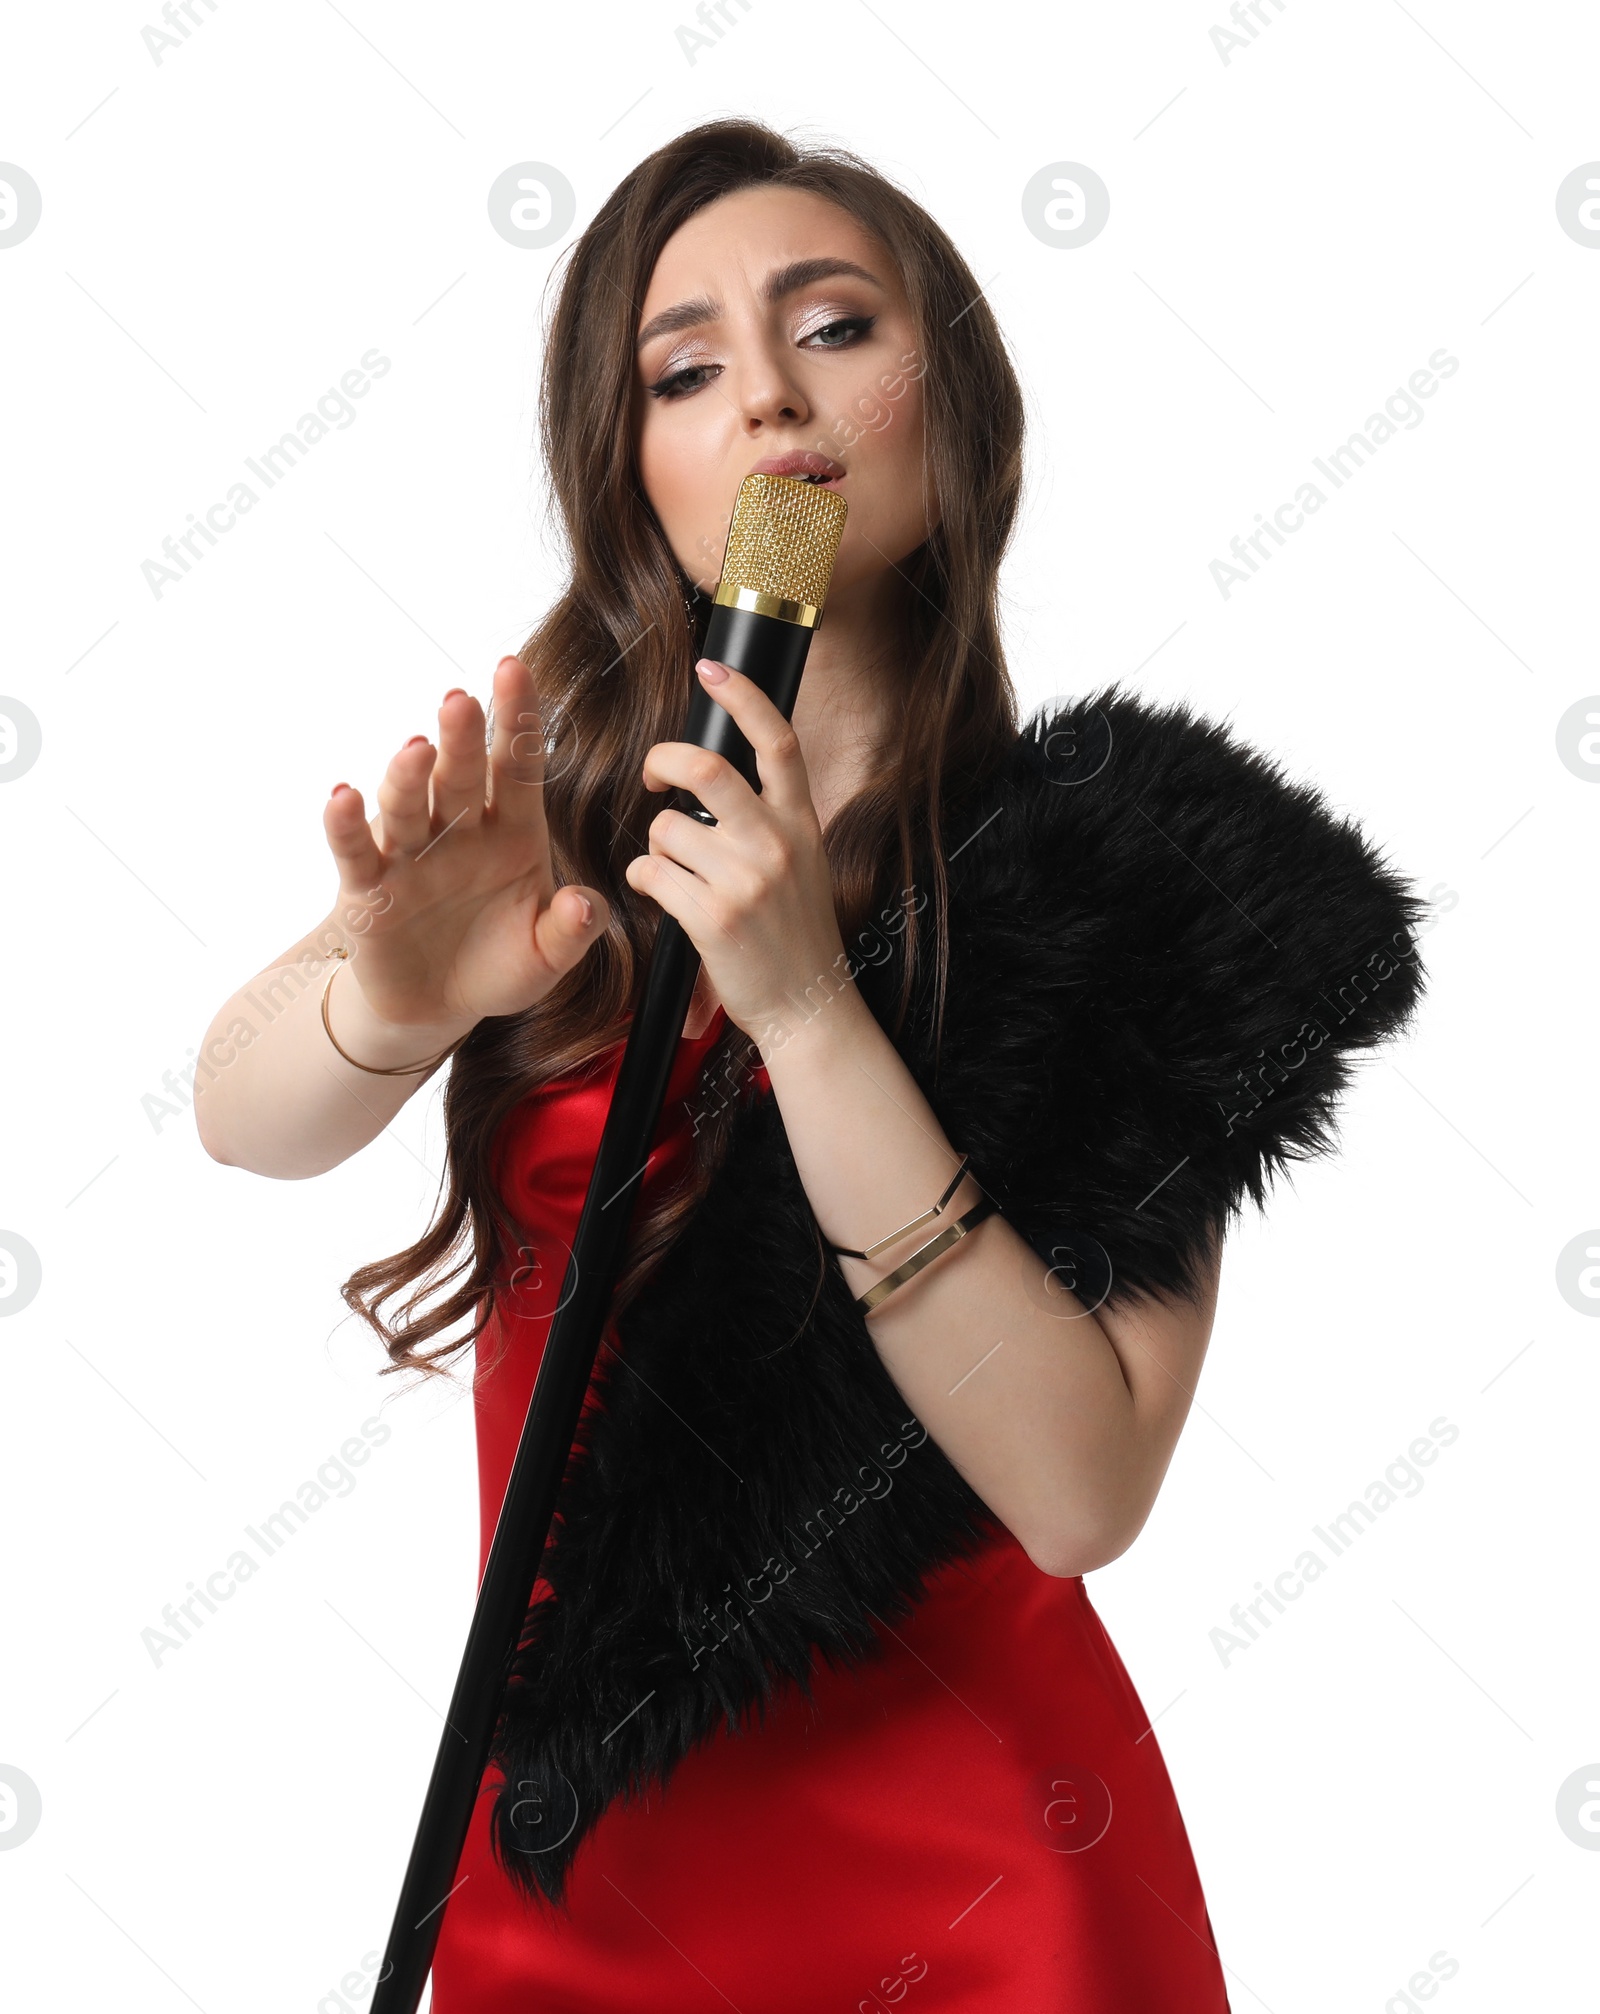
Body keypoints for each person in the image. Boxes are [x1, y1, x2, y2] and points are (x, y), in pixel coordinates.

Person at [197, 119, 1421, 2011]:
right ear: (639, 483)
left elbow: (1082, 1490)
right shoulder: (565, 825)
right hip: (564, 1873)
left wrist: (806, 1010)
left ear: (963, 406)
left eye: (832, 329)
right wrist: (395, 992)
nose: (766, 393)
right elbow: (237, 1112)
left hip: (982, 1896)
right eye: (683, 370)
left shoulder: (1135, 889)